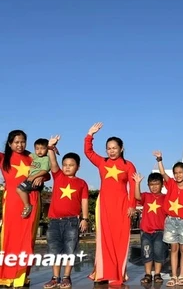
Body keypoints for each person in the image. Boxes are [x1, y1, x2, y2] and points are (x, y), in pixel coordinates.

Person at [84, 122, 137, 286]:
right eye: (109, 148)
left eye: (114, 148)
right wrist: (90, 135)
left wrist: (132, 205)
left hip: (122, 206)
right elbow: (88, 152)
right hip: (104, 206)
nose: (111, 150)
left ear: (121, 148)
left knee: (120, 239)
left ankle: (117, 273)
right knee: (104, 239)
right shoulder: (102, 162)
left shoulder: (128, 165)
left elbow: (133, 186)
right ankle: (102, 272)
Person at [0, 130, 50, 288]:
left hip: (32, 199)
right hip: (12, 202)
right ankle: (6, 277)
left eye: (22, 141)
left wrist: (42, 176)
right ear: (9, 143)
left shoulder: (32, 156)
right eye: (16, 142)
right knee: (9, 237)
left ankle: (22, 278)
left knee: (27, 239)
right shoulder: (3, 158)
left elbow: (47, 172)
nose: (20, 145)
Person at [43, 135, 89, 289]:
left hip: (72, 221)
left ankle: (66, 277)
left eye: (71, 165)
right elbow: (53, 162)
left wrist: (85, 218)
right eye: (65, 164)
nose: (67, 167)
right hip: (55, 221)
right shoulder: (59, 176)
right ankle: (55, 277)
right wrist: (50, 148)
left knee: (70, 249)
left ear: (78, 167)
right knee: (54, 250)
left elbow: (84, 201)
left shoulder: (82, 183)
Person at [154, 151, 183, 287]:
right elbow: (163, 173)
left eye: (180, 172)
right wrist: (159, 159)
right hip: (171, 221)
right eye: (176, 173)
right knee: (173, 248)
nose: (178, 175)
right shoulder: (171, 185)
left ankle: (182, 276)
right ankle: (173, 275)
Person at [133, 172, 169, 286]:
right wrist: (137, 183)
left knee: (159, 252)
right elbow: (137, 196)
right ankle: (148, 274)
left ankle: (157, 274)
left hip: (160, 231)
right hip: (146, 231)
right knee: (146, 252)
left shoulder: (165, 198)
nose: (154, 187)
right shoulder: (146, 196)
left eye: (157, 184)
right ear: (148, 185)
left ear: (162, 185)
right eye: (151, 184)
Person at [16, 138, 53, 218]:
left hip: (34, 181)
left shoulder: (46, 159)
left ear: (47, 149)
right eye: (37, 149)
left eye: (42, 148)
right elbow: (28, 153)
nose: (39, 151)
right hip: (32, 179)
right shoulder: (36, 157)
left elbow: (44, 171)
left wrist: (33, 177)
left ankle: (27, 206)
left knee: (19, 189)